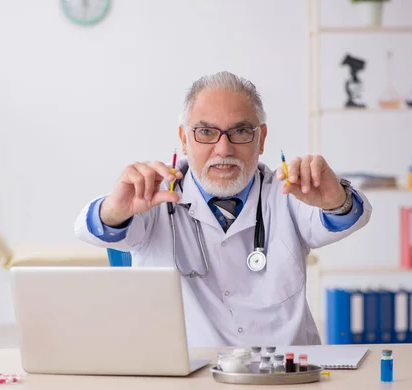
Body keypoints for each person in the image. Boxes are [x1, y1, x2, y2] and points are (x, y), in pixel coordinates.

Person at [74, 71, 372, 347]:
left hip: (283, 375)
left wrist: (337, 200)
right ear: (184, 138)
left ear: (262, 138)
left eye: (241, 131)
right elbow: (94, 229)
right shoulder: (154, 196)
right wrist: (115, 209)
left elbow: (341, 217)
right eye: (206, 131)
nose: (224, 149)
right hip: (185, 378)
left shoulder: (287, 191)